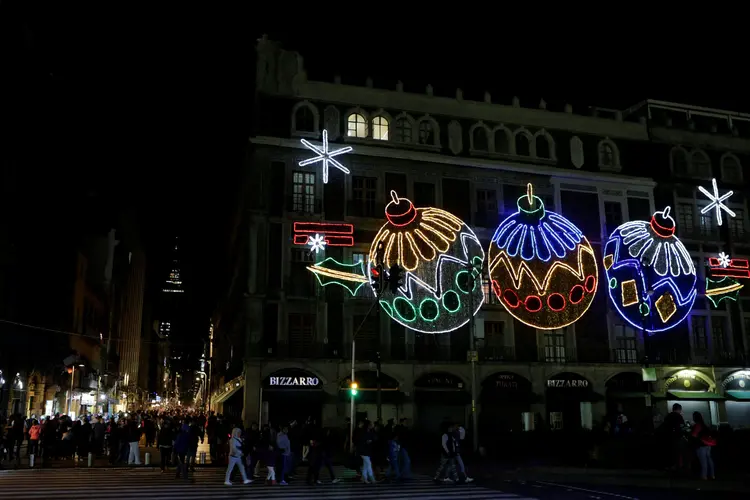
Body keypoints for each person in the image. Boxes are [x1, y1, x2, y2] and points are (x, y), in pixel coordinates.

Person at [690, 412, 716, 480]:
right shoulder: (704, 425)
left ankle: (704, 476)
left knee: (703, 461)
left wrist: (692, 427)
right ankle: (712, 475)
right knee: (709, 460)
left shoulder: (698, 425)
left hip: (701, 446)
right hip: (708, 445)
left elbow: (694, 435)